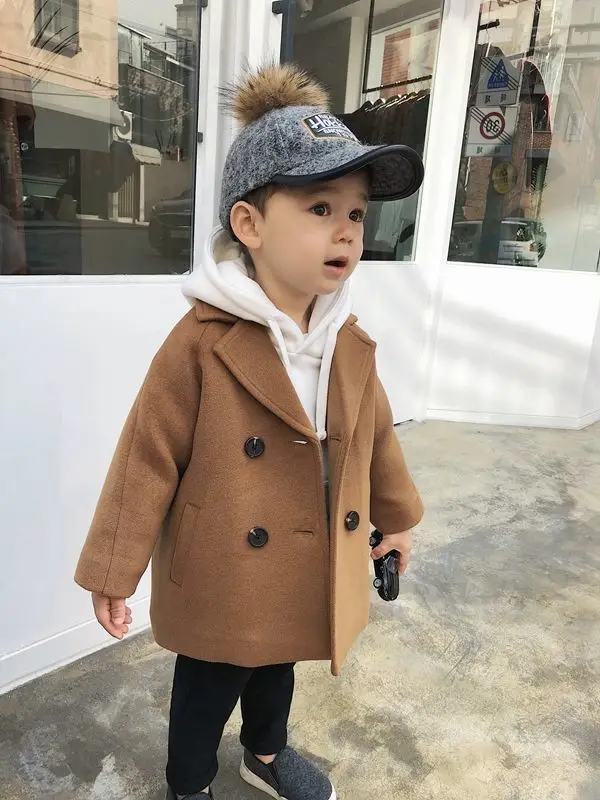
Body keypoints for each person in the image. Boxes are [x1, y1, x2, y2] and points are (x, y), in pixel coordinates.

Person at [74, 63, 425, 800]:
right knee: (208, 685)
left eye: (357, 213)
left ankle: (264, 754)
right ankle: (189, 783)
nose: (346, 230)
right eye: (321, 207)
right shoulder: (202, 341)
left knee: (280, 663)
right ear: (250, 225)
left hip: (306, 548)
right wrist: (113, 567)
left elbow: (375, 436)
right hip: (224, 565)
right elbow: (146, 456)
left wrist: (396, 518)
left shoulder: (346, 337)